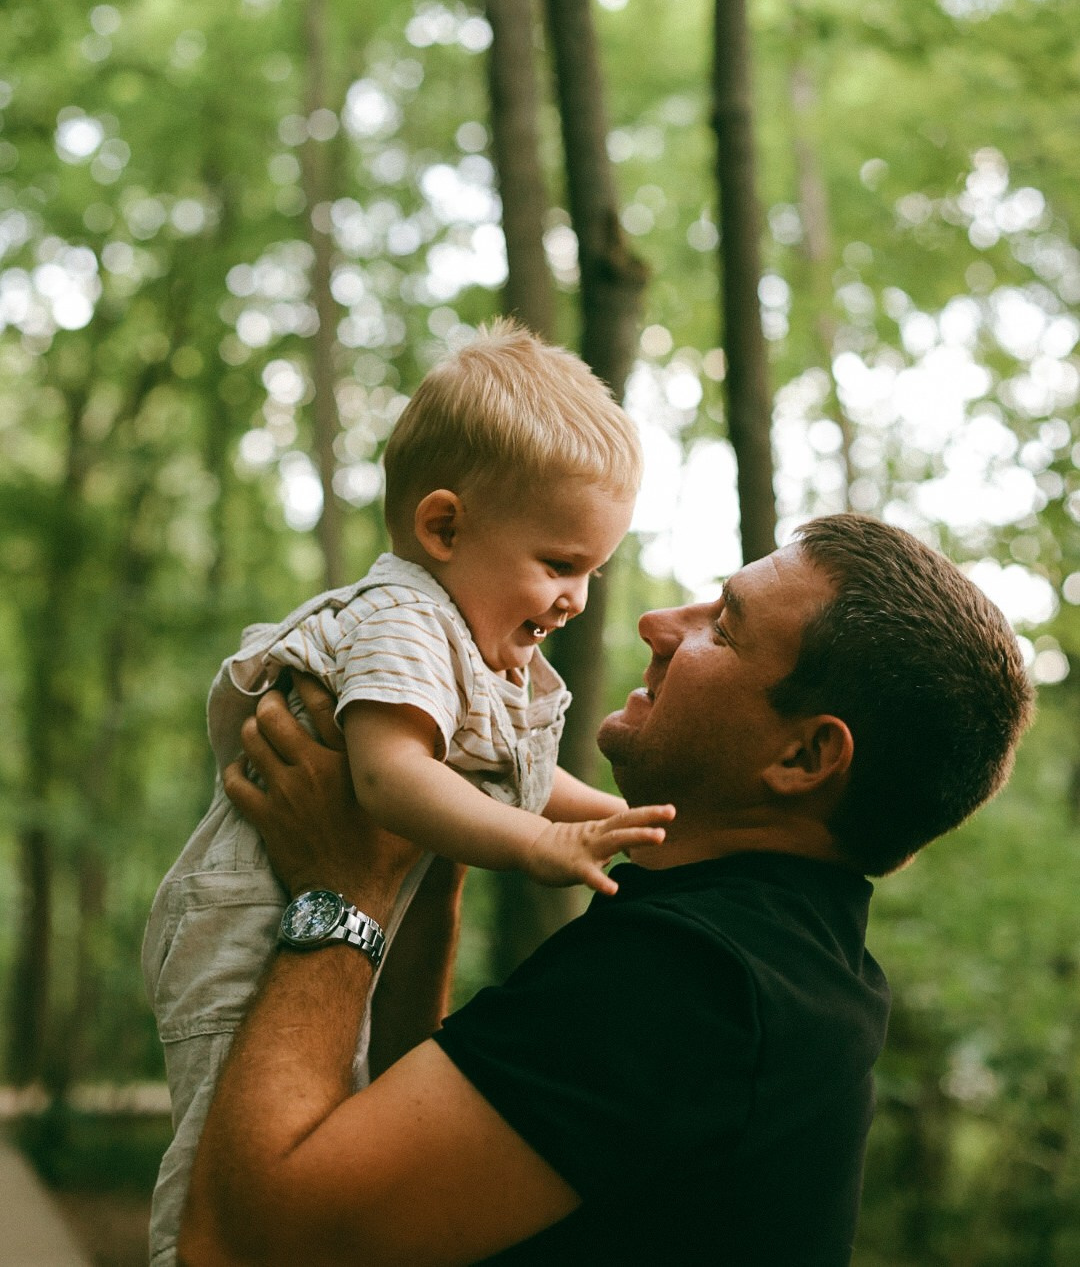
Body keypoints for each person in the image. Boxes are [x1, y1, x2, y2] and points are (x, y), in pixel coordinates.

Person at [177, 513, 1033, 1266]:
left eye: (722, 629)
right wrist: (425, 863)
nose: (659, 624)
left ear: (803, 757)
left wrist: (345, 891)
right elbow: (404, 1161)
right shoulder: (783, 959)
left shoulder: (697, 982)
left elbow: (244, 1246)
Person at [143, 322, 672, 1267]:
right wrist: (535, 846)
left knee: (332, 1127)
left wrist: (614, 822)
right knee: (227, 1136)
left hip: (319, 913)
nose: (579, 599)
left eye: (592, 571)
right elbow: (390, 778)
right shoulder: (407, 619)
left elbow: (520, 777)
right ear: (444, 529)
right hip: (245, 917)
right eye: (560, 565)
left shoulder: (465, 640)